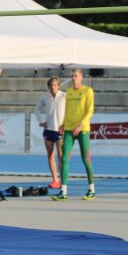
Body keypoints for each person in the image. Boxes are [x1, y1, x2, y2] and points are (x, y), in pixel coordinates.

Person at [52, 69, 95, 201]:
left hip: (83, 130)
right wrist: (63, 124)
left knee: (85, 159)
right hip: (70, 129)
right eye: (72, 76)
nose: (73, 78)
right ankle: (63, 191)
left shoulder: (88, 91)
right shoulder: (69, 92)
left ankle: (91, 189)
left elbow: (90, 110)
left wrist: (81, 125)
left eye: (76, 76)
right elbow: (68, 111)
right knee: (64, 158)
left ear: (81, 77)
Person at [34, 76, 66, 189]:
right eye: (51, 85)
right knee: (50, 155)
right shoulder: (45, 97)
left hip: (60, 130)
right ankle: (55, 180)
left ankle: (63, 180)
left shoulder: (64, 96)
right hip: (48, 130)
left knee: (61, 156)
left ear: (58, 85)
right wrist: (41, 122)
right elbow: (37, 109)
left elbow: (70, 110)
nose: (53, 86)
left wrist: (66, 123)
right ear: (49, 86)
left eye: (55, 84)